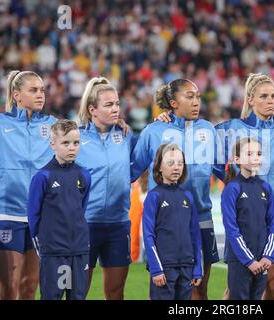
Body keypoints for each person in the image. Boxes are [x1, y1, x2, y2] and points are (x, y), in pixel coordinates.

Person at [132, 79, 223, 300]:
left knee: (199, 287)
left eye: (198, 97)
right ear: (173, 102)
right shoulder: (154, 131)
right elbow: (131, 170)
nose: (196, 102)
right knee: (164, 287)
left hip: (201, 218)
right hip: (166, 222)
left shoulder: (209, 130)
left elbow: (224, 172)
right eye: (189, 97)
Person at [215, 73, 274, 299]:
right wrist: (236, 184)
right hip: (244, 218)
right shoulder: (229, 129)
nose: (271, 100)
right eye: (264, 96)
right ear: (250, 99)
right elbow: (203, 150)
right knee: (237, 286)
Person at [0, 70, 57, 299]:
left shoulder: (54, 125)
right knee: (9, 288)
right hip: (6, 214)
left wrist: (114, 124)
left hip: (41, 218)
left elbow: (87, 138)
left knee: (30, 288)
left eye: (42, 90)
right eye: (33, 90)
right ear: (17, 95)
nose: (41, 94)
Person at [75, 76, 137, 300]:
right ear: (93, 109)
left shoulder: (126, 135)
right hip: (85, 224)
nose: (115, 109)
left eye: (117, 104)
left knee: (115, 292)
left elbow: (138, 166)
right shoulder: (76, 137)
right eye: (109, 105)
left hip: (118, 224)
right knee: (78, 292)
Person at [27, 119, 91, 300]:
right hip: (54, 251)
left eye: (76, 143)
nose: (72, 148)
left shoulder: (84, 175)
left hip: (79, 249)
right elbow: (33, 214)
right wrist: (44, 244)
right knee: (52, 296)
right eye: (66, 143)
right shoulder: (43, 176)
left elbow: (81, 208)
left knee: (78, 296)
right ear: (53, 144)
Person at [143, 143, 202, 300]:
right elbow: (148, 235)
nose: (176, 167)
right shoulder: (154, 197)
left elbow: (195, 235)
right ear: (159, 167)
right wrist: (156, 269)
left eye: (180, 163)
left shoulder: (187, 197)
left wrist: (197, 268)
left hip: (187, 267)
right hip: (164, 268)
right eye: (170, 163)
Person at [221, 137, 274, 300]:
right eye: (249, 153)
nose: (255, 157)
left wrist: (267, 256)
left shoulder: (265, 188)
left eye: (258, 154)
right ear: (237, 159)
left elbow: (273, 224)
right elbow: (232, 229)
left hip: (262, 260)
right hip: (240, 261)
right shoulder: (232, 188)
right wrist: (249, 260)